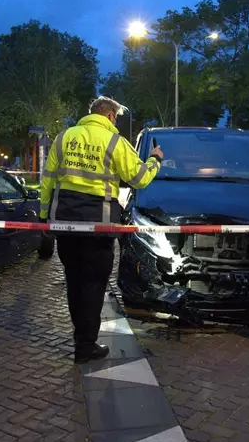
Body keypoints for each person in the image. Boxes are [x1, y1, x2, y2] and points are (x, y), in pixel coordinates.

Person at [39, 96, 164, 363]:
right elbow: (139, 178)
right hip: (100, 225)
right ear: (110, 116)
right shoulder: (115, 141)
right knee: (94, 285)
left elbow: (48, 180)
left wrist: (43, 218)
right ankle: (86, 345)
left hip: (66, 224)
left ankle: (80, 339)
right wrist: (155, 159)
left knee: (74, 282)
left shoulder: (64, 138)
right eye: (116, 118)